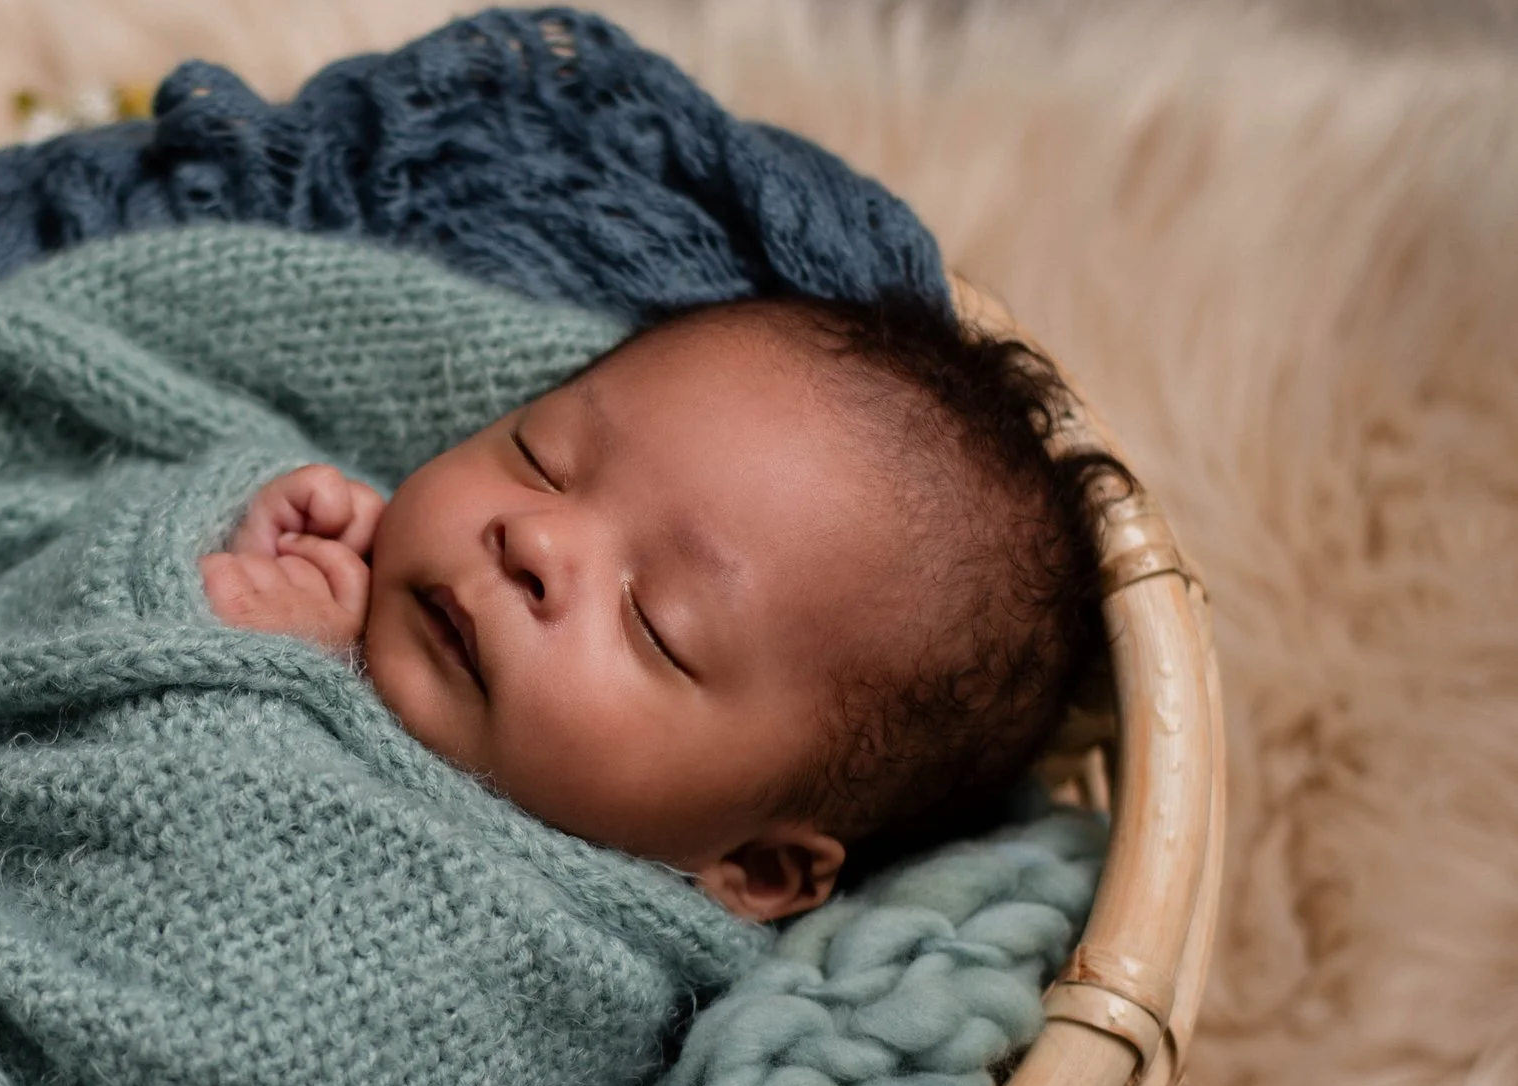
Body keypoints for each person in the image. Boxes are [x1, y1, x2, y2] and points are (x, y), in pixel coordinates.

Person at [203, 292, 1111, 921]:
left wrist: (264, 693)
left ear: (754, 867)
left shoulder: (544, 968)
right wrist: (246, 554)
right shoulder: (328, 554)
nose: (535, 540)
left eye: (656, 626)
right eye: (540, 458)